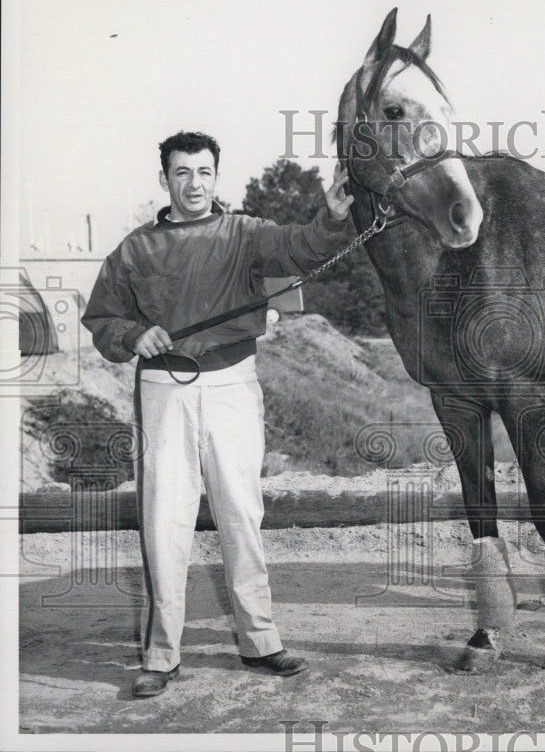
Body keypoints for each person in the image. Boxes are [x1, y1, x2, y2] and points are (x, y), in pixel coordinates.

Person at [82, 131, 354, 698]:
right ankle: (161, 656)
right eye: (182, 173)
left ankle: (261, 642)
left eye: (204, 172)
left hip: (233, 385)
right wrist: (135, 333)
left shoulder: (246, 233)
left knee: (240, 514)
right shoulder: (135, 249)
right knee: (164, 520)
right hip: (164, 389)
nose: (194, 184)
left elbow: (302, 248)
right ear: (165, 179)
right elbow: (102, 319)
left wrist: (329, 217)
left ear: (216, 176)